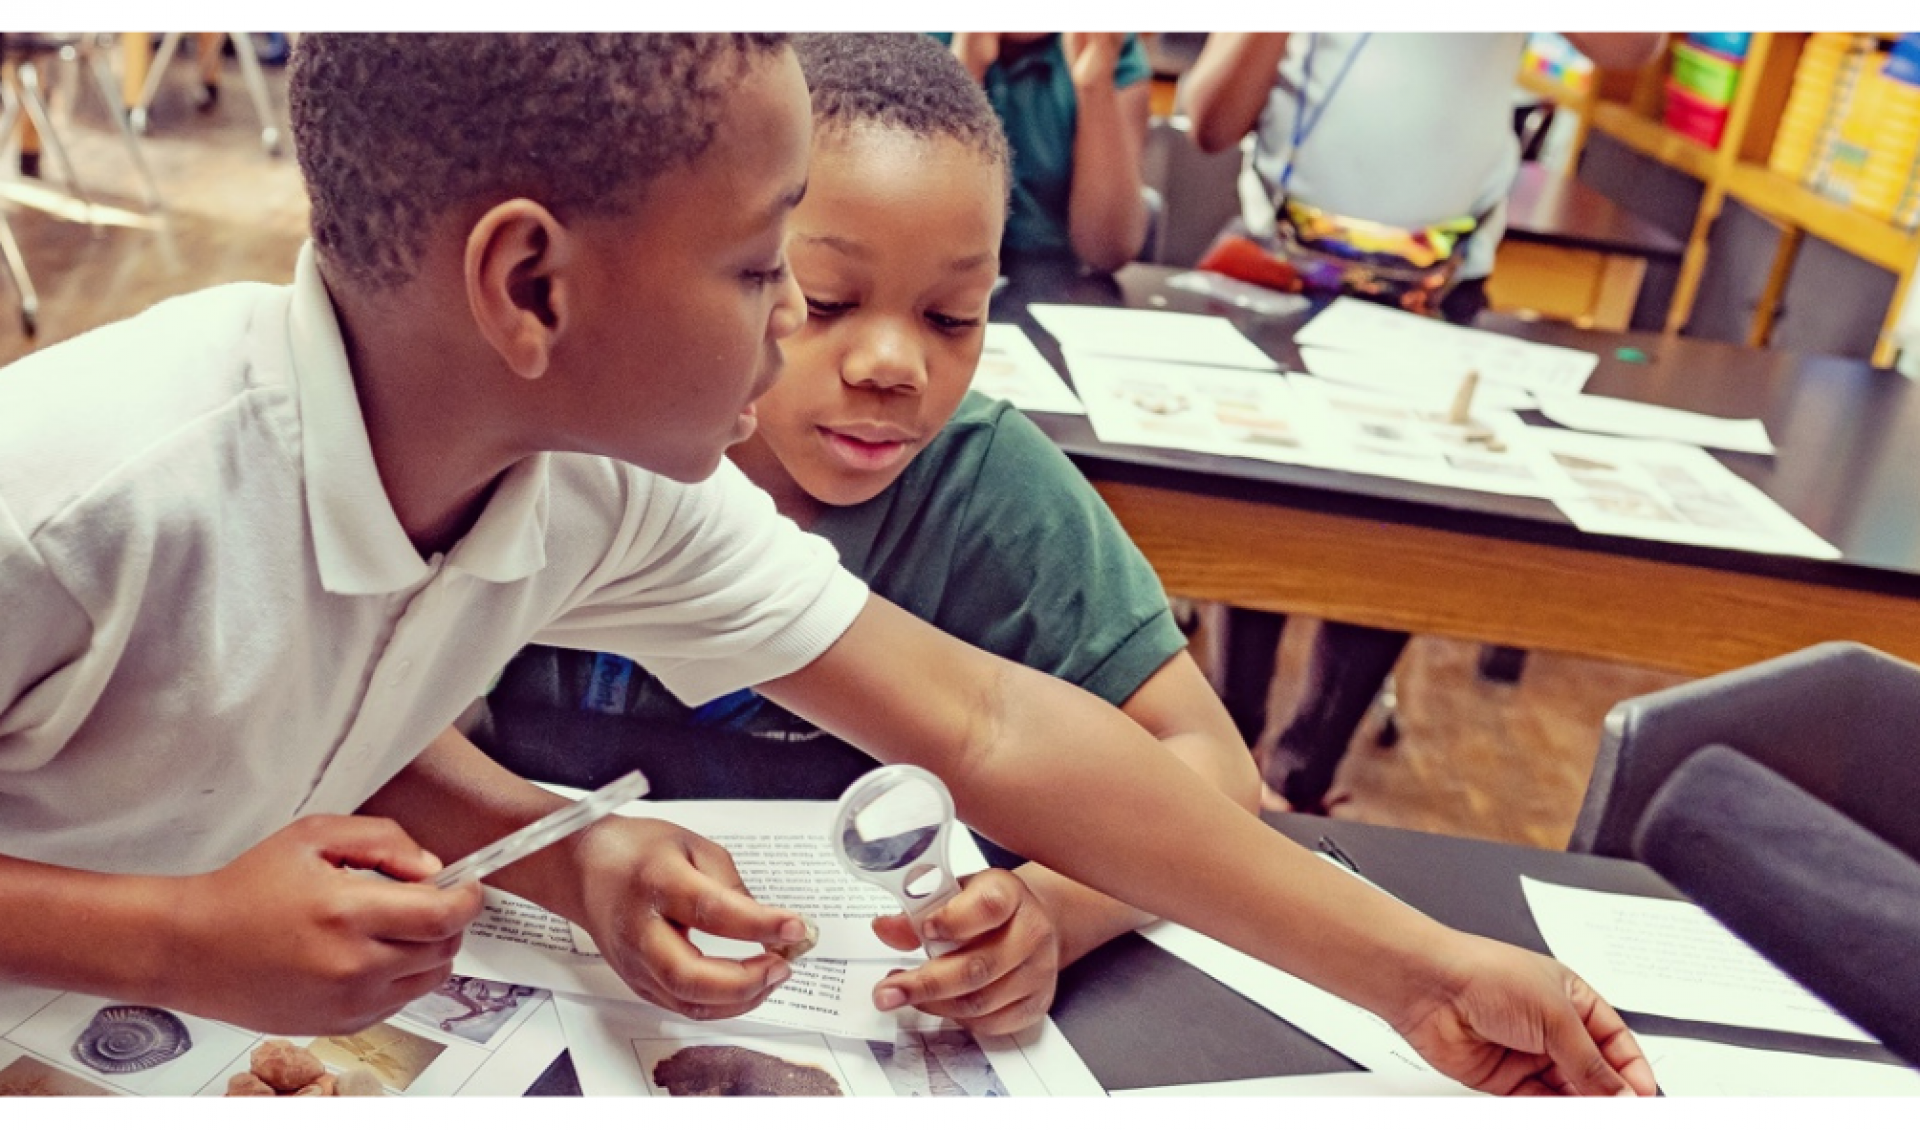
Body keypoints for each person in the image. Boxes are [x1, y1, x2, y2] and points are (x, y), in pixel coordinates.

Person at [0, 33, 1653, 1097]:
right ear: (531, 288)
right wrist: (161, 939)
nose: (794, 328)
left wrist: (1420, 972)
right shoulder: (77, 493)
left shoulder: (597, 484)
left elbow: (989, 730)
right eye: (755, 263)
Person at [483, 31, 1256, 1038]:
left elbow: (1213, 765)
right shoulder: (569, 454)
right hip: (541, 986)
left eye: (953, 316)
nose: (893, 362)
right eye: (829, 300)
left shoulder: (985, 484)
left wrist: (1057, 914)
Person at [1181, 32, 1666, 812]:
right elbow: (1207, 121)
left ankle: (1303, 775)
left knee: (1399, 533)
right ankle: (1227, 756)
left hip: (1437, 290)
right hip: (1287, 273)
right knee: (1267, 509)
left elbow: (1631, 46)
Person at [929, 32, 1151, 272]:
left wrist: (1095, 86)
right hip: (946, 276)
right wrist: (965, 68)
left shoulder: (1108, 44)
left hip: (1059, 281)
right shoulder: (918, 38)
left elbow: (1109, 252)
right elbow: (919, 234)